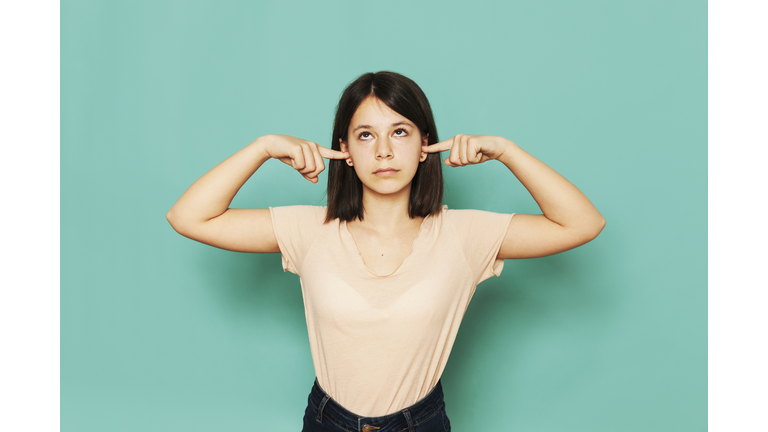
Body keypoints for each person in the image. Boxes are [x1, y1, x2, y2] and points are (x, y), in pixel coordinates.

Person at [167, 71, 605, 432]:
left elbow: (583, 223)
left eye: (399, 132)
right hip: (327, 422)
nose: (383, 151)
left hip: (421, 423)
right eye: (365, 135)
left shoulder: (465, 234)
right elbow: (188, 217)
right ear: (345, 150)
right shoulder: (309, 229)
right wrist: (263, 147)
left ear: (424, 144)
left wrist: (507, 151)